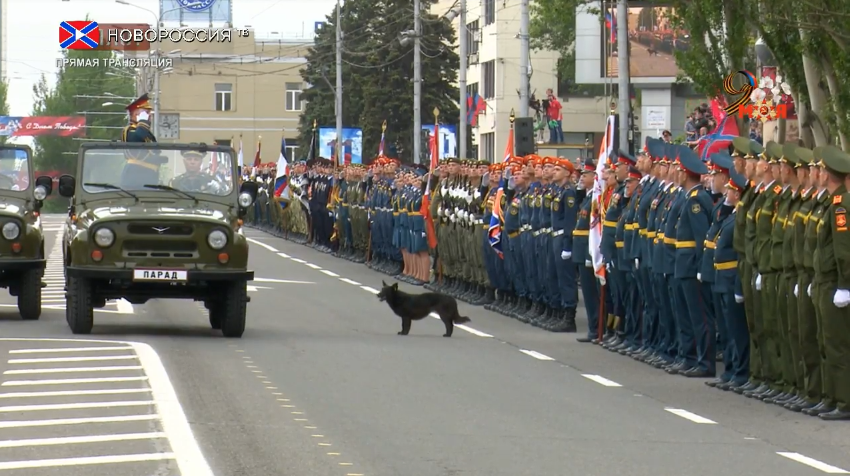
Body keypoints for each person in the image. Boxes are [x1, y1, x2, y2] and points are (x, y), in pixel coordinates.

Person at [120, 93, 164, 189]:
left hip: (148, 175)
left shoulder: (144, 131)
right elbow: (138, 137)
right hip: (135, 175)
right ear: (136, 115)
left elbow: (155, 150)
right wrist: (143, 122)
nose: (150, 116)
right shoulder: (130, 130)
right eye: (146, 113)